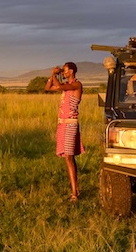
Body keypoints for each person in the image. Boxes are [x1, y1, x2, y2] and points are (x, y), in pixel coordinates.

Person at [45, 61, 84, 201]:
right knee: (68, 158)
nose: (64, 73)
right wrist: (52, 75)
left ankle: (74, 193)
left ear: (72, 71)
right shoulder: (67, 87)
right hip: (62, 125)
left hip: (70, 124)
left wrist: (55, 74)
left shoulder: (76, 85)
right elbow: (48, 87)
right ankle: (75, 189)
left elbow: (60, 85)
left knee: (69, 157)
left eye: (66, 71)